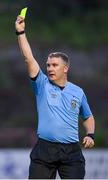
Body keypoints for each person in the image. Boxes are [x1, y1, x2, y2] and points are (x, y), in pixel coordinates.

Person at [15, 15, 95, 179]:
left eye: (54, 65)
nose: (50, 68)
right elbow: (28, 58)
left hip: (71, 152)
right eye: (48, 65)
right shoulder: (42, 84)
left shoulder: (78, 91)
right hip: (45, 150)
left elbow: (88, 116)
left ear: (65, 68)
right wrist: (21, 33)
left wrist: (90, 134)